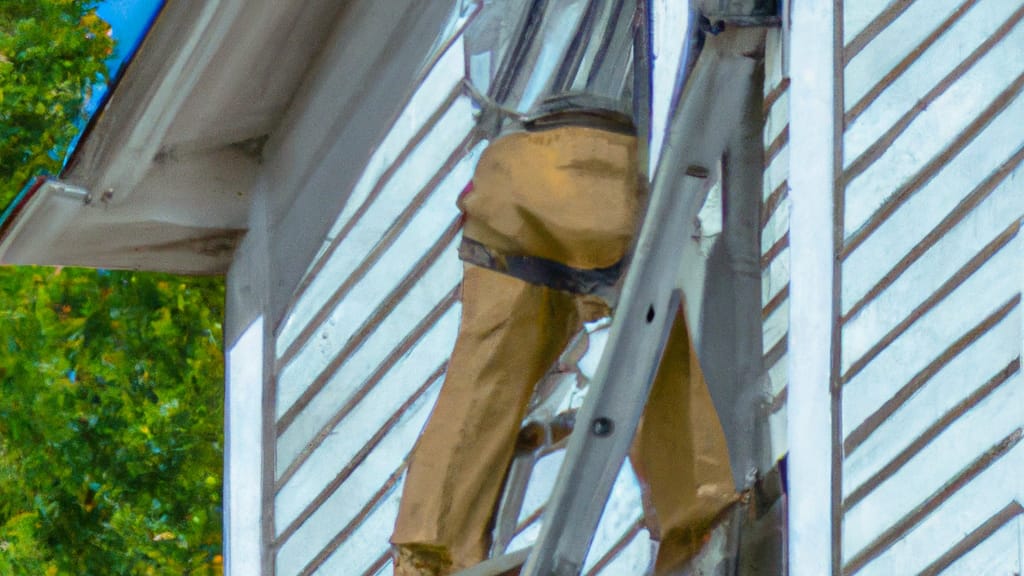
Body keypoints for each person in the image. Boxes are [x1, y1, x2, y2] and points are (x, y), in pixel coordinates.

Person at [391, 2, 737, 573]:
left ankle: (429, 552)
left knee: (485, 372)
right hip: (601, 158)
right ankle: (695, 520)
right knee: (649, 346)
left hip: (508, 171)